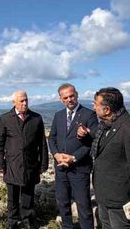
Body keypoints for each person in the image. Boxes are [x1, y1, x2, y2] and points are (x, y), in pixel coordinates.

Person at [87, 87, 130, 229]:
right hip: (104, 194)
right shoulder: (106, 125)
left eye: (95, 104)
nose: (93, 107)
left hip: (120, 198)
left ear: (107, 109)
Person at [0, 90, 49, 229]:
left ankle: (28, 220)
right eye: (21, 101)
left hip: (30, 163)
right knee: (12, 196)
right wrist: (0, 163)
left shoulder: (36, 118)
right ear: (14, 102)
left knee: (28, 194)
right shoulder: (5, 118)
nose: (25, 103)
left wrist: (43, 163)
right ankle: (12, 221)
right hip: (12, 164)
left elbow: (42, 143)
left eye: (26, 100)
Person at [48, 83, 99, 229]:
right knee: (63, 202)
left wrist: (73, 158)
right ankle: (67, 226)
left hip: (79, 168)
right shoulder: (58, 116)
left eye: (72, 96)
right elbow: (52, 138)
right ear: (61, 99)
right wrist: (56, 154)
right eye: (66, 97)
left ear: (76, 94)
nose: (70, 99)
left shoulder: (89, 114)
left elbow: (92, 142)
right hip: (60, 166)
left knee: (83, 204)